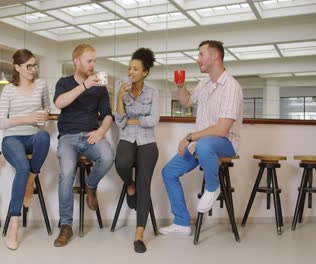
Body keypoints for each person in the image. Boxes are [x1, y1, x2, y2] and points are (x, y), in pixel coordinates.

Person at [159, 40, 243, 236]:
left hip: (226, 143)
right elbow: (187, 101)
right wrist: (181, 86)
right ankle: (181, 222)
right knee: (168, 172)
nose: (198, 60)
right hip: (203, 144)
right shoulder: (204, 83)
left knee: (205, 144)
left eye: (201, 55)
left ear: (215, 56)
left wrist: (189, 137)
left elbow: (222, 130)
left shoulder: (231, 86)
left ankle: (213, 187)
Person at [53, 43, 114, 247]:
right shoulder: (64, 82)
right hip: (68, 137)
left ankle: (90, 185)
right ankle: (66, 226)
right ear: (76, 61)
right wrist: (85, 85)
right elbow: (59, 103)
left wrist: (101, 131)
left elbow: (107, 116)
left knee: (107, 156)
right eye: (89, 61)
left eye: (94, 61)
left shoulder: (100, 88)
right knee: (67, 173)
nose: (93, 65)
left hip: (90, 135)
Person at [0, 49, 50, 250]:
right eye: (28, 66)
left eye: (35, 65)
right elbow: (1, 122)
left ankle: (30, 180)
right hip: (12, 138)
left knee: (44, 137)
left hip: (34, 135)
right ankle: (14, 224)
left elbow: (47, 109)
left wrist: (44, 115)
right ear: (17, 67)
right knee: (21, 166)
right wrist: (27, 118)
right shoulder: (8, 90)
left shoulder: (42, 85)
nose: (33, 70)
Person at [114, 48, 160, 253]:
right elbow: (119, 122)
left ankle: (139, 234)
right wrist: (118, 98)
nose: (131, 72)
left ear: (145, 72)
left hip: (148, 142)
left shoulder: (153, 93)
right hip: (127, 138)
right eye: (129, 68)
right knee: (121, 163)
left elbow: (154, 120)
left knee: (145, 184)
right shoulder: (121, 88)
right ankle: (129, 184)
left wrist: (132, 120)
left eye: (135, 68)